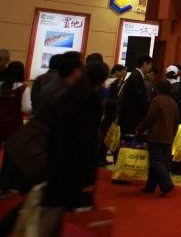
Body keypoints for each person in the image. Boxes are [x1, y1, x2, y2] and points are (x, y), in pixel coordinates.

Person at [38, 61, 109, 236]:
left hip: (55, 164)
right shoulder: (89, 102)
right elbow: (86, 143)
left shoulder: (64, 94)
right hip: (75, 169)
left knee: (53, 215)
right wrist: (88, 178)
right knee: (73, 220)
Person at [136, 80, 180, 196]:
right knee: (159, 162)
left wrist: (139, 129)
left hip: (157, 136)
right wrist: (172, 135)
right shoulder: (173, 103)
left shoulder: (156, 100)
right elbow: (176, 122)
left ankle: (167, 184)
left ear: (158, 89)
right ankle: (150, 187)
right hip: (168, 137)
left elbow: (150, 117)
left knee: (156, 161)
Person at [0, 62, 33, 197]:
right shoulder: (23, 89)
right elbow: (26, 109)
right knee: (10, 159)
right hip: (13, 127)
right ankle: (3, 187)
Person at [97, 64, 126, 165]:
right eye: (122, 72)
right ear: (116, 71)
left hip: (111, 113)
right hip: (107, 113)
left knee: (108, 137)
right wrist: (119, 101)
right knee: (104, 136)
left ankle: (102, 157)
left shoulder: (116, 82)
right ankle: (98, 157)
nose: (123, 74)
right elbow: (108, 99)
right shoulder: (110, 82)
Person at [118, 55, 153, 139]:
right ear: (144, 64)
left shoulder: (135, 75)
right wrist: (148, 109)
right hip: (131, 117)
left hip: (129, 116)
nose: (150, 68)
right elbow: (139, 98)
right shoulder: (136, 77)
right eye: (150, 65)